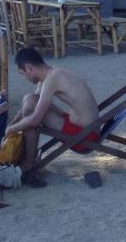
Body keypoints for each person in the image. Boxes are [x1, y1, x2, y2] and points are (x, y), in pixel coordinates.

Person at [6, 46, 100, 186]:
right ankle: (28, 162)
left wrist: (11, 129)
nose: (24, 78)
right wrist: (12, 124)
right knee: (29, 100)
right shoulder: (52, 73)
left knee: (31, 108)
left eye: (22, 73)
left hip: (85, 136)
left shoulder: (51, 80)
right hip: (81, 127)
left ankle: (28, 166)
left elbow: (35, 119)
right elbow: (33, 99)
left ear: (29, 68)